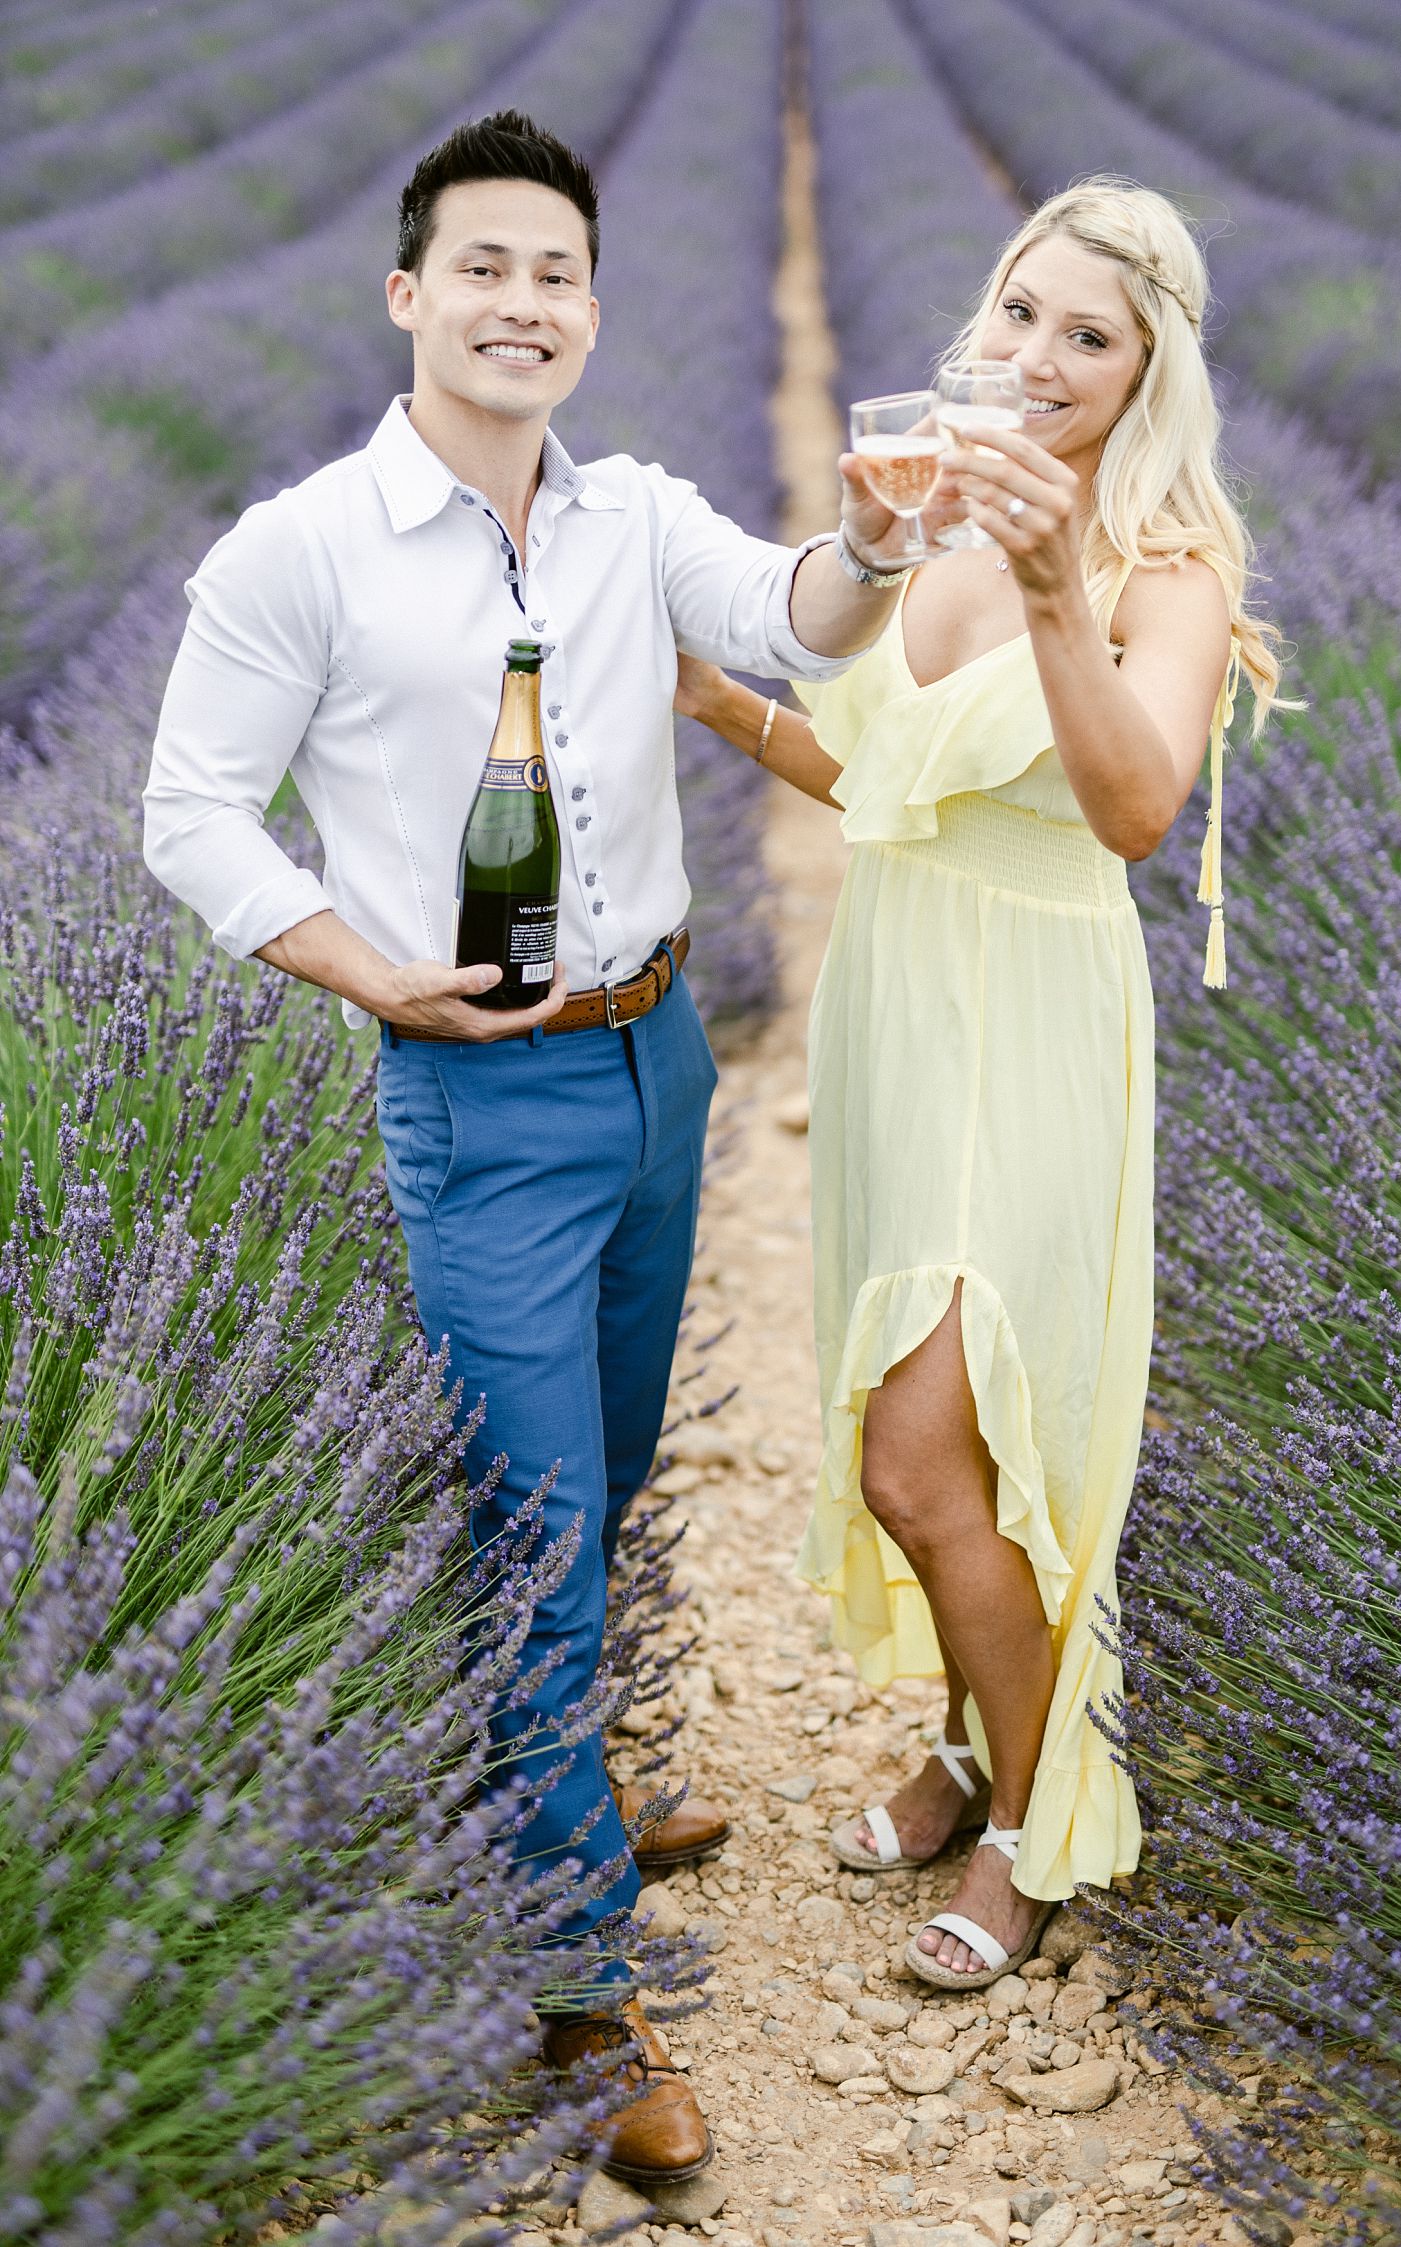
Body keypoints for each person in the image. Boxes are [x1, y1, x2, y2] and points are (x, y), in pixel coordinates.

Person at [141, 110, 951, 2182]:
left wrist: (867, 540)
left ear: (592, 310)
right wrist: (366, 972)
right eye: (483, 267)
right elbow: (191, 815)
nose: (524, 303)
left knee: (597, 1473)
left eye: (557, 273)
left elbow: (799, 623)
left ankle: (560, 1781)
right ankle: (583, 1989)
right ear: (409, 293)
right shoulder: (299, 547)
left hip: (651, 1057)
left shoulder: (631, 520)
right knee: (525, 1528)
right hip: (475, 1094)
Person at [675, 178, 1287, 1990]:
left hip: (1031, 1009)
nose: (1038, 355)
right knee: (903, 1444)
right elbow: (888, 788)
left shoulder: (1168, 569)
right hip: (898, 994)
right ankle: (958, 1748)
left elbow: (1133, 810)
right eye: (1022, 311)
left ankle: (1033, 1825)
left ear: (1148, 369)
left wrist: (1048, 589)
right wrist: (725, 711)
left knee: (935, 1455)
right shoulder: (934, 515)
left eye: (1088, 335)